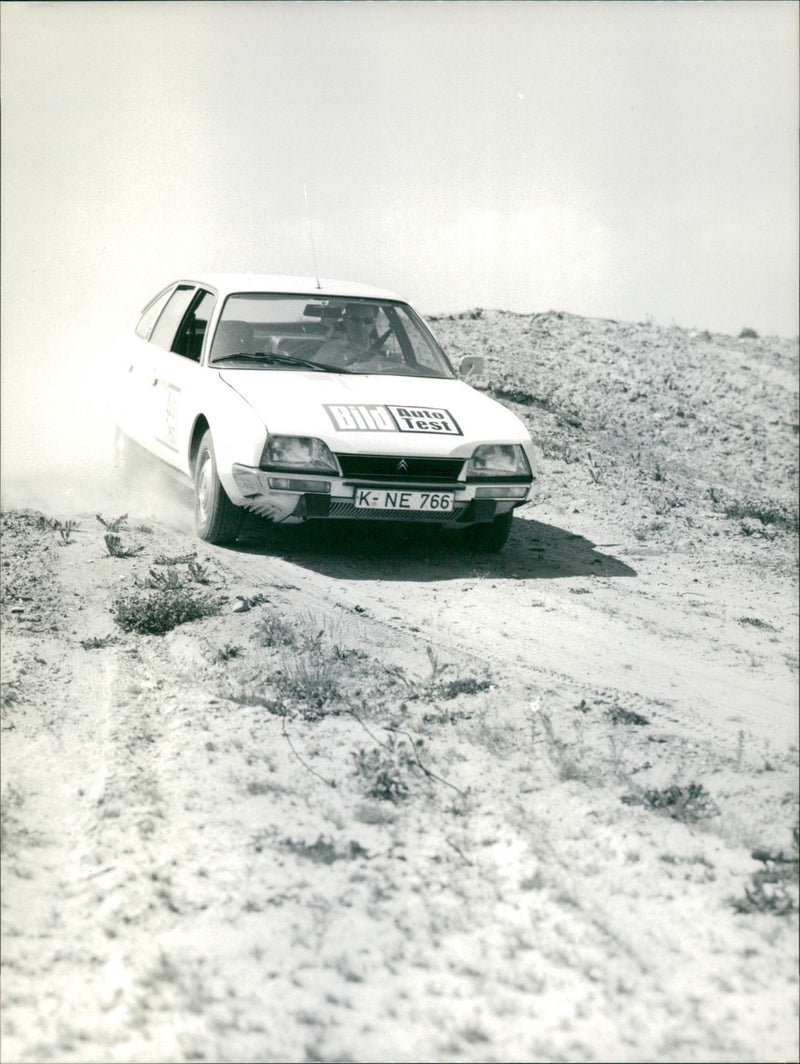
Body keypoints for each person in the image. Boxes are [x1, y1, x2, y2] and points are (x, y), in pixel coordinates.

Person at [313, 304, 380, 367]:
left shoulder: (381, 349)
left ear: (374, 323)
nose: (362, 325)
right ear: (345, 319)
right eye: (355, 319)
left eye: (368, 320)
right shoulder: (329, 350)